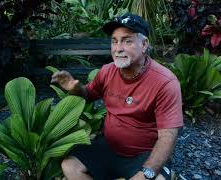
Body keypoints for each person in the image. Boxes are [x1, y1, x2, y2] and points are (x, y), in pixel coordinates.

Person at [51, 13, 183, 180]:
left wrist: (146, 173)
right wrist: (75, 89)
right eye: (114, 41)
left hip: (144, 154)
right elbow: (88, 95)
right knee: (70, 166)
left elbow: (168, 136)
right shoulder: (107, 71)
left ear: (144, 45)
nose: (118, 48)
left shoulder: (165, 82)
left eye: (127, 41)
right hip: (109, 147)